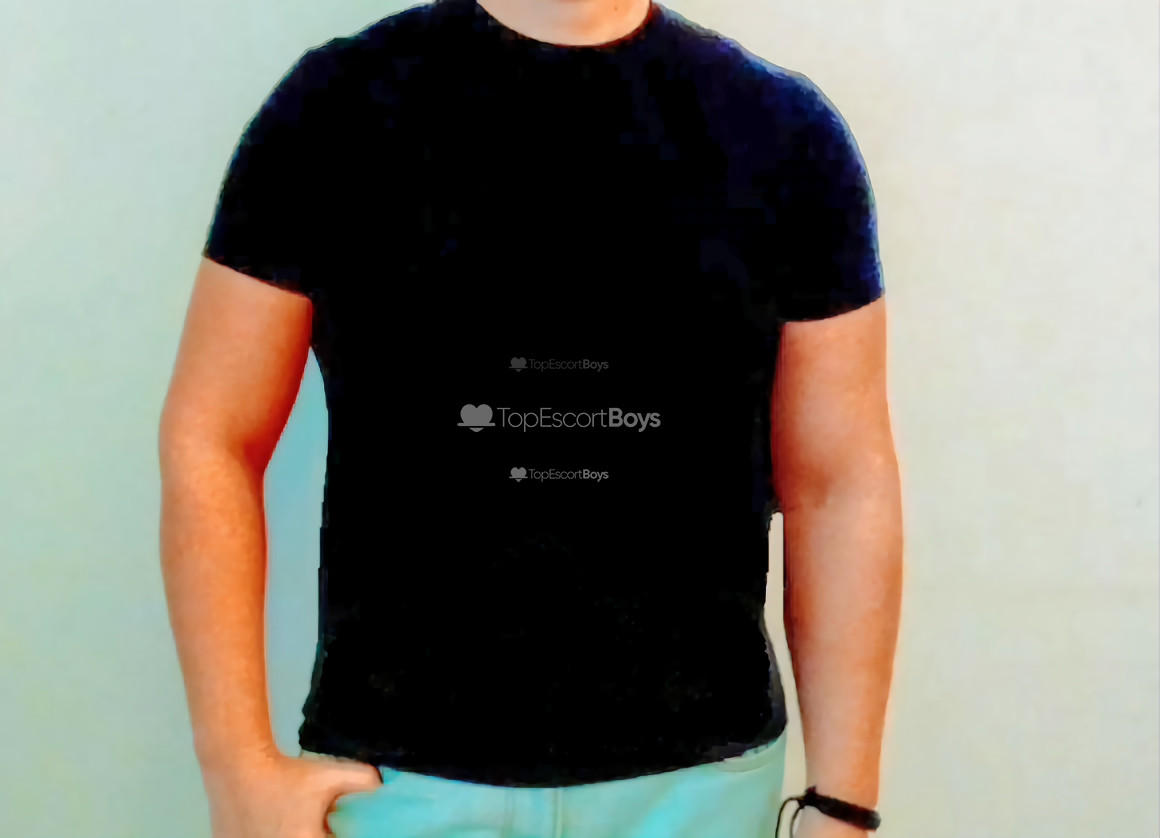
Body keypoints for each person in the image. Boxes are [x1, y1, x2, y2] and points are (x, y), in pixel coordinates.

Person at [157, 0, 904, 836]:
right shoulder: (338, 105)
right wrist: (235, 769)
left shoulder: (784, 133)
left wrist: (842, 803)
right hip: (400, 788)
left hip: (699, 789)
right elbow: (212, 434)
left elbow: (838, 485)